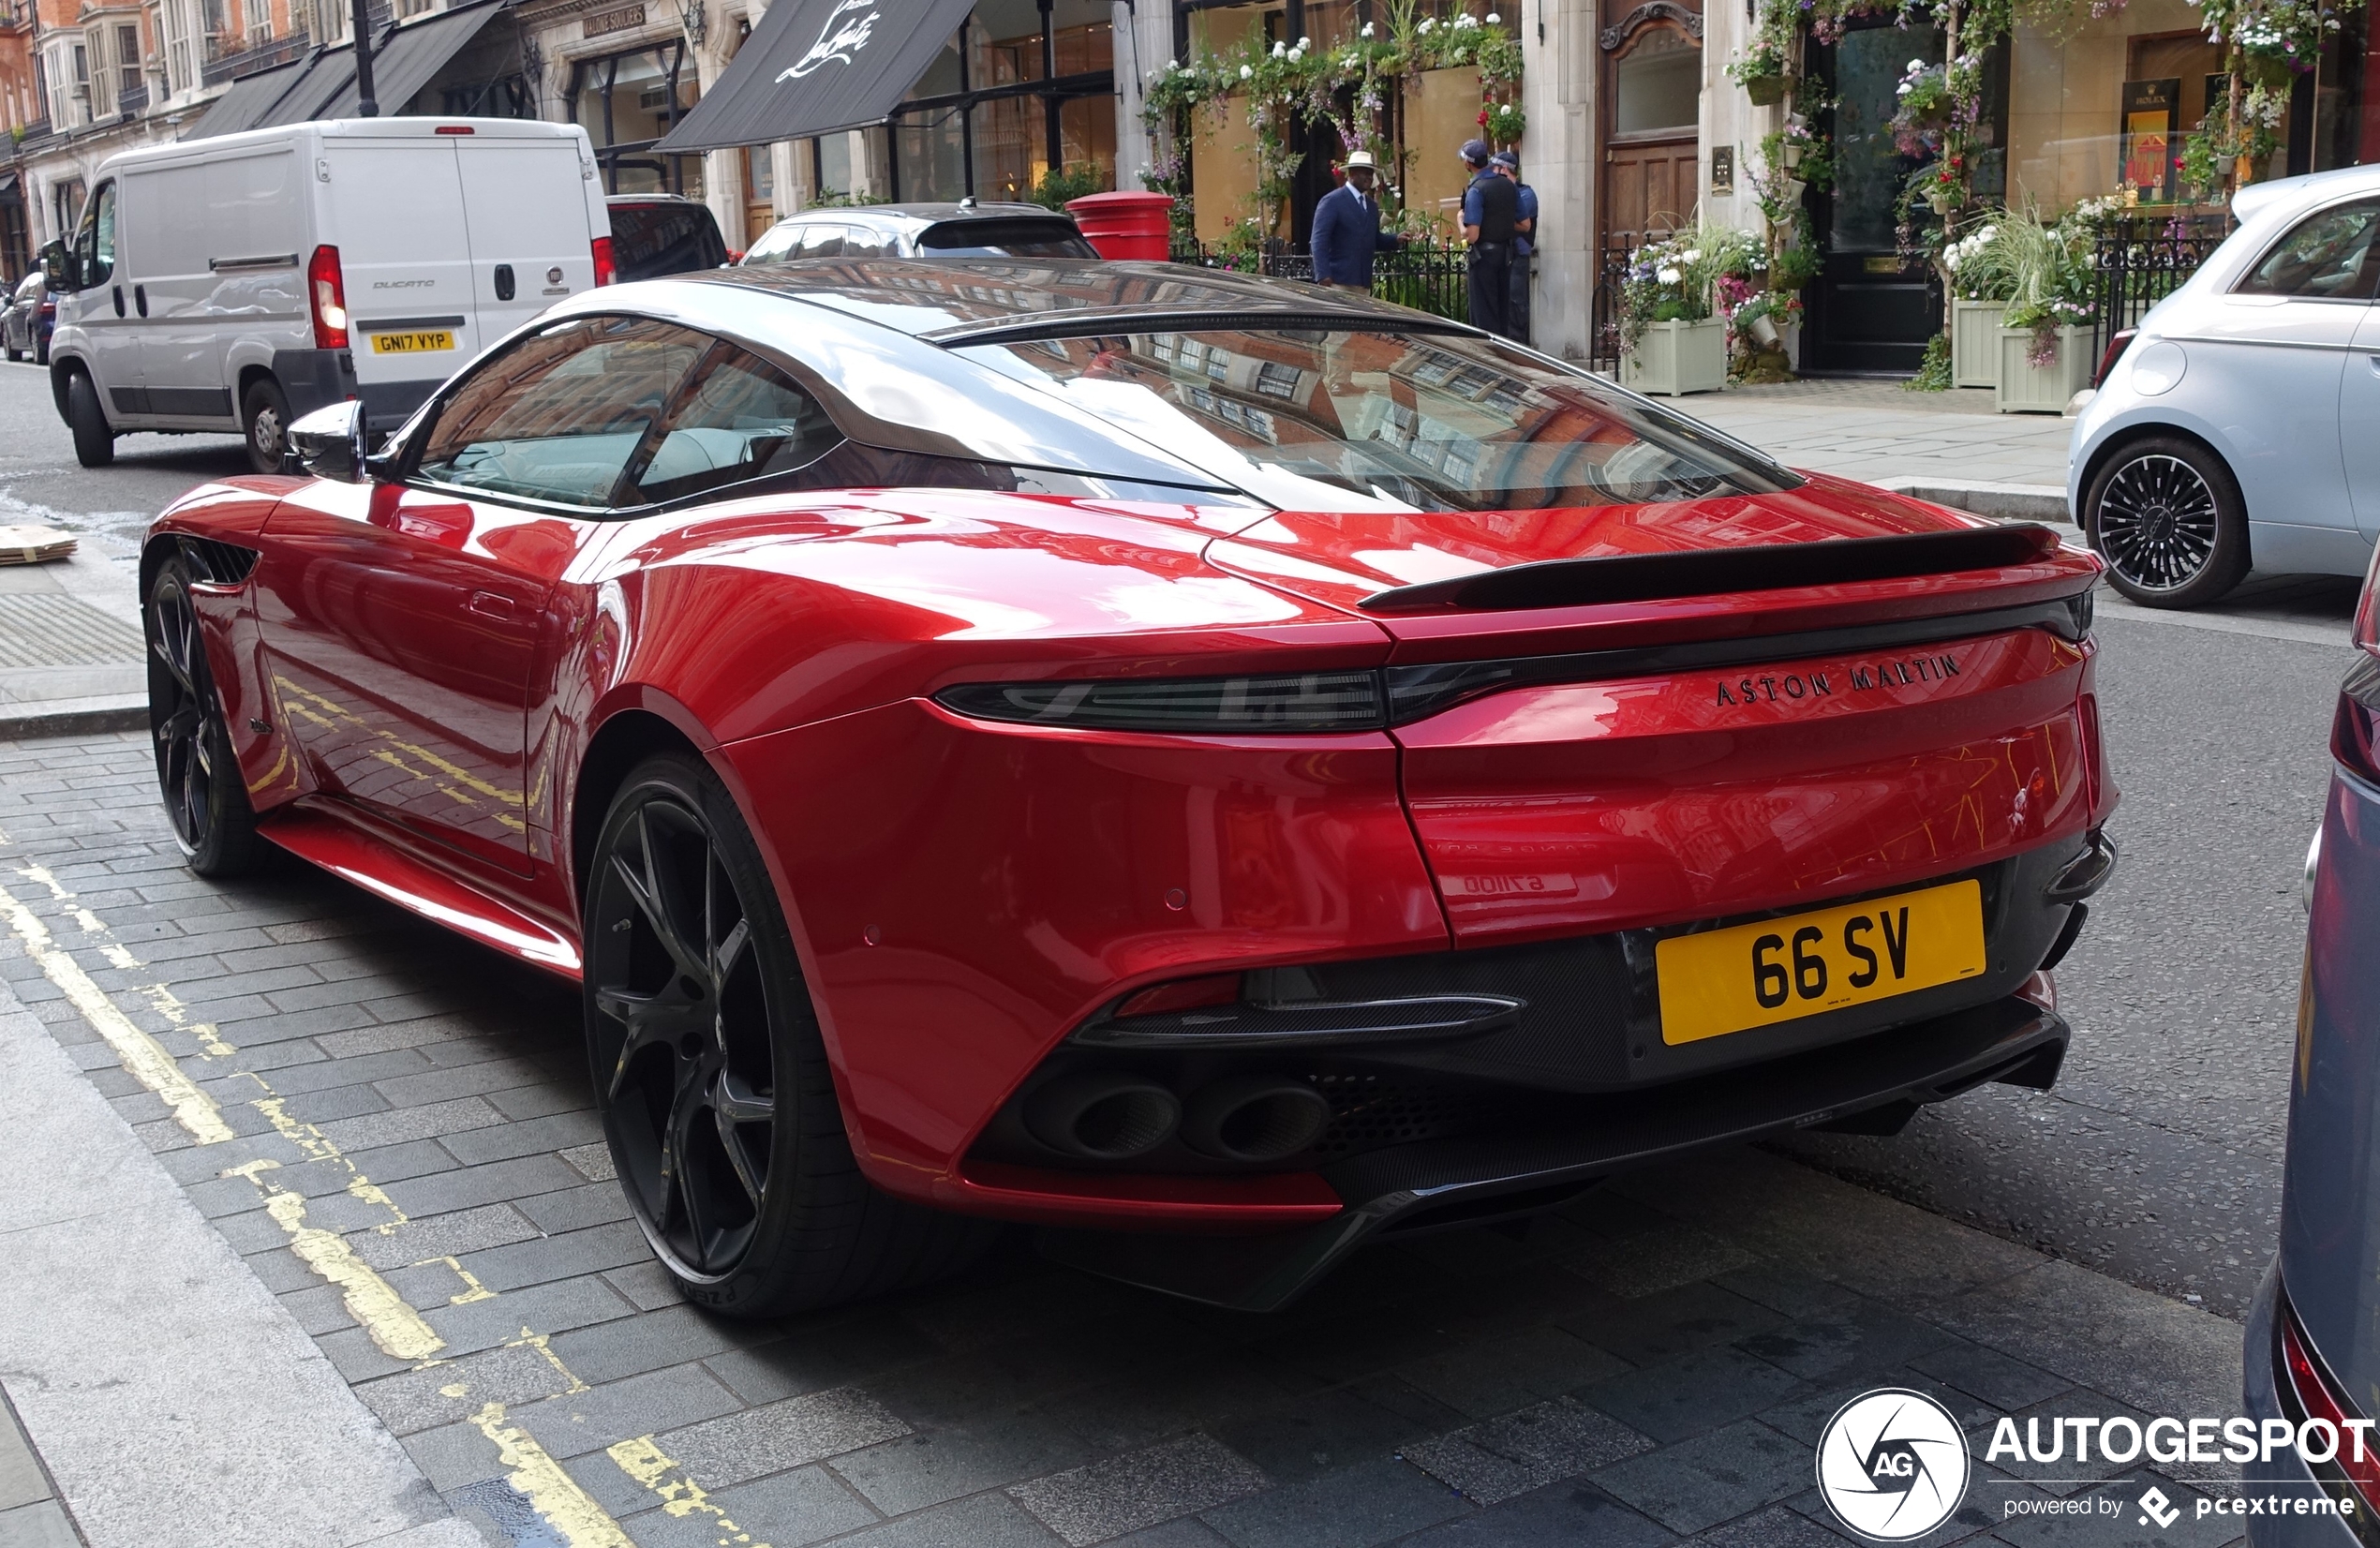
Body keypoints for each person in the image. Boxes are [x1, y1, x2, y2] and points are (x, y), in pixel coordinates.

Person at [1308, 150, 1400, 290]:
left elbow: (1373, 239)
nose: (1369, 177)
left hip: (1362, 283)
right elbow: (1319, 239)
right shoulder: (1332, 201)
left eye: (1371, 173)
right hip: (1337, 282)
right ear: (1352, 173)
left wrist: (1395, 239)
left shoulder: (1371, 206)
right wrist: (1323, 275)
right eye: (1365, 172)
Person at [1459, 139, 1520, 338]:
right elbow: (1525, 223)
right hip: (1506, 255)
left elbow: (1472, 235)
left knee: (1483, 316)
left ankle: (1488, 360)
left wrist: (1461, 222)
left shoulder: (1476, 190)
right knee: (1502, 312)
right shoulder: (1509, 186)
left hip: (1483, 258)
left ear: (1468, 163)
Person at [1491, 149, 1536, 346]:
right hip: (1503, 255)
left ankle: (1518, 346)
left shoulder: (1526, 194)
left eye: (1495, 168)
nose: (1492, 172)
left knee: (1516, 304)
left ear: (1504, 170)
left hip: (1518, 257)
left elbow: (1512, 218)